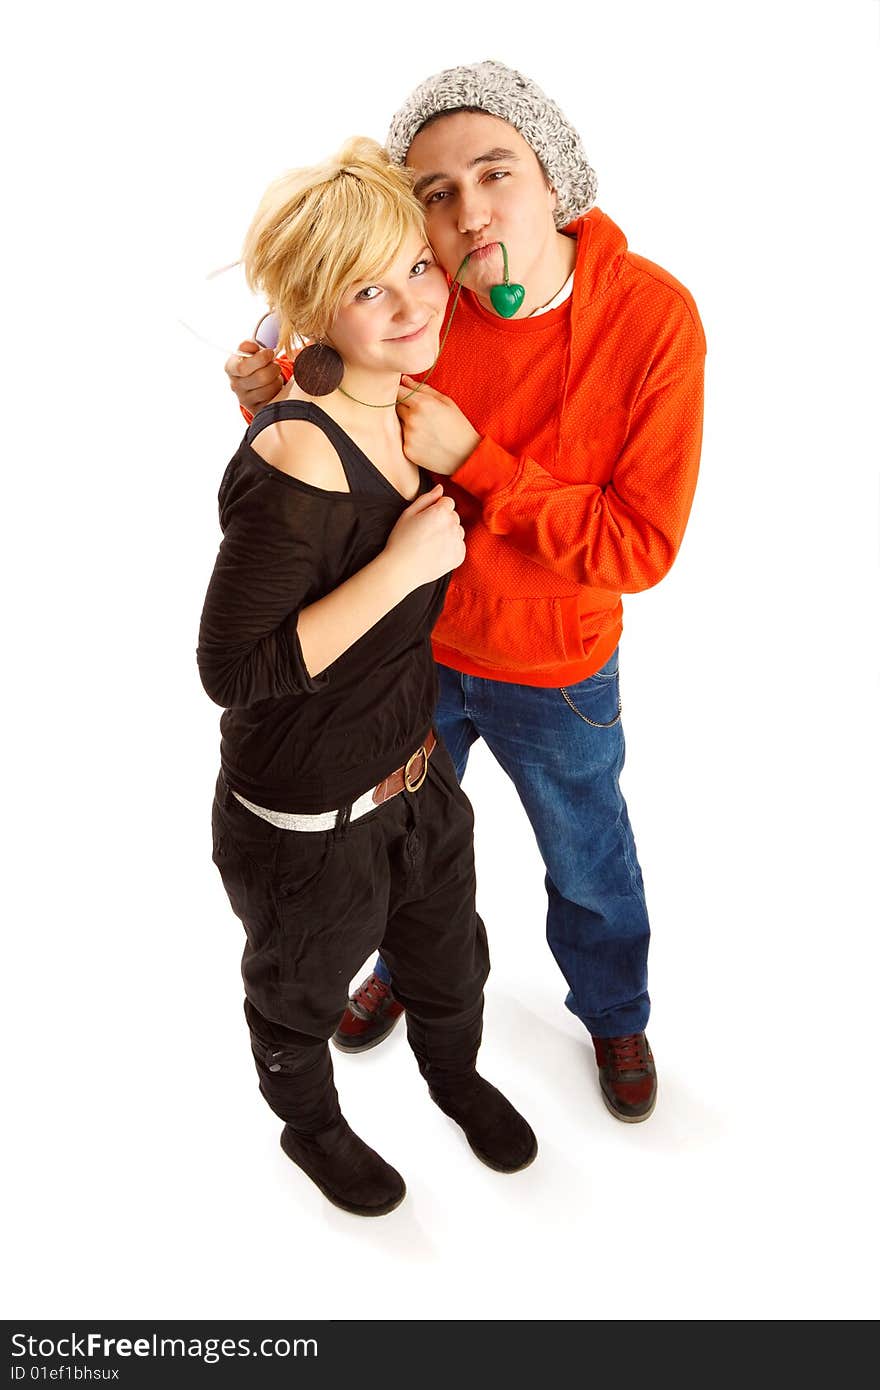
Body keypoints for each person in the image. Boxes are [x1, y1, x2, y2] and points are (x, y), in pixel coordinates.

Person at [226, 62, 706, 1125]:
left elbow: (638, 545)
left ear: (555, 177)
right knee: (407, 844)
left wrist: (481, 460)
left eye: (495, 172)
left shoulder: (654, 318)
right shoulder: (426, 298)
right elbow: (338, 461)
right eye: (434, 194)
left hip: (556, 673)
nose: (468, 211)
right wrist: (270, 404)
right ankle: (411, 962)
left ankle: (614, 1010)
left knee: (587, 859)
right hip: (414, 657)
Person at [198, 136, 537, 1217]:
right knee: (299, 998)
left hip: (416, 782)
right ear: (315, 312)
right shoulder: (297, 450)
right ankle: (312, 1127)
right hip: (307, 824)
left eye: (418, 269)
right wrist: (401, 568)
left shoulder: (398, 406)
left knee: (452, 962)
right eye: (368, 290)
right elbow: (232, 667)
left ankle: (453, 1075)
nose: (411, 306)